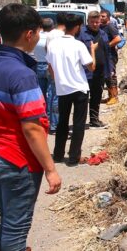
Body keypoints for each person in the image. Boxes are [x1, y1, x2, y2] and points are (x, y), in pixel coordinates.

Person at [0, 3, 62, 250]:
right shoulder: (22, 74)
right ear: (29, 34)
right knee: (17, 230)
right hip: (17, 161)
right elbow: (32, 128)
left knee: (9, 222)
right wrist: (50, 169)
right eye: (37, 32)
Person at [47, 14, 96, 166]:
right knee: (78, 123)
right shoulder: (78, 45)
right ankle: (74, 156)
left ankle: (58, 154)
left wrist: (58, 81)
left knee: (62, 122)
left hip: (63, 89)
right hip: (79, 88)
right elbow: (91, 66)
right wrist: (92, 49)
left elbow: (50, 67)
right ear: (76, 27)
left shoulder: (53, 45)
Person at [78, 11, 112, 128]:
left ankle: (94, 119)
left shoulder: (103, 34)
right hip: (86, 72)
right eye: (92, 22)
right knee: (83, 98)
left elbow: (107, 53)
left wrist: (109, 69)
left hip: (100, 72)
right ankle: (80, 122)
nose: (95, 24)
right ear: (88, 21)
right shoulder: (81, 33)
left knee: (96, 97)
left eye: (97, 22)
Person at [33, 17, 58, 134]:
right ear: (52, 26)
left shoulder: (36, 37)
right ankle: (53, 124)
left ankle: (42, 121)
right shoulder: (52, 38)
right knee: (52, 96)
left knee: (41, 96)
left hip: (38, 65)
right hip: (50, 66)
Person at [99, 10, 121, 106]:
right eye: (100, 16)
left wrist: (107, 46)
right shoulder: (101, 27)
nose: (101, 18)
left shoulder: (110, 26)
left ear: (108, 17)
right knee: (106, 77)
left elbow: (118, 39)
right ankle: (110, 96)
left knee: (111, 76)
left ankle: (114, 97)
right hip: (104, 56)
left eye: (103, 16)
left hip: (110, 56)